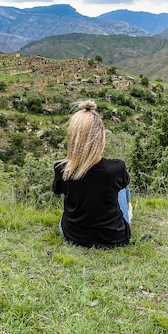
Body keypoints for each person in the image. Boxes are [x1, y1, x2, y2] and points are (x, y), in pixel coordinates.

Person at [52, 99, 132, 248]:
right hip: (114, 237)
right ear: (100, 137)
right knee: (123, 183)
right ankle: (127, 211)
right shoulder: (116, 168)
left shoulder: (61, 168)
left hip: (73, 235)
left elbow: (58, 191)